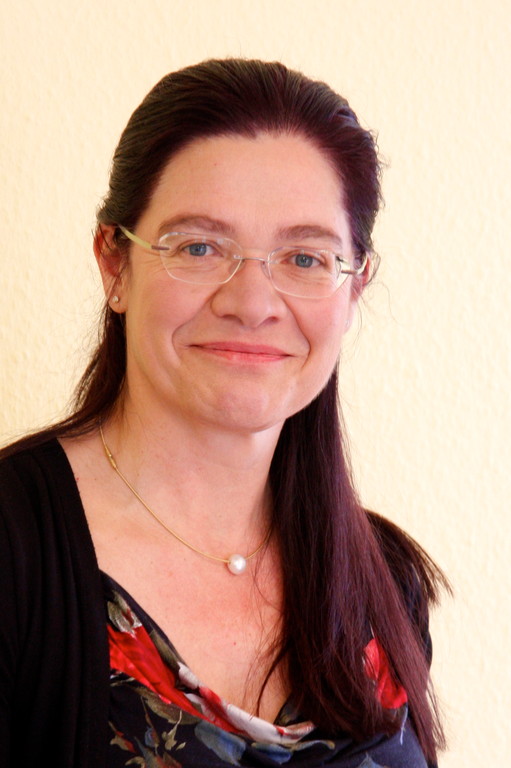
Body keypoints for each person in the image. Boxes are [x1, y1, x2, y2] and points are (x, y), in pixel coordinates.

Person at [0, 58, 448, 768]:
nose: (252, 302)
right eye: (200, 247)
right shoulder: (13, 550)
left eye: (305, 258)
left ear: (354, 288)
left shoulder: (382, 579)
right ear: (115, 265)